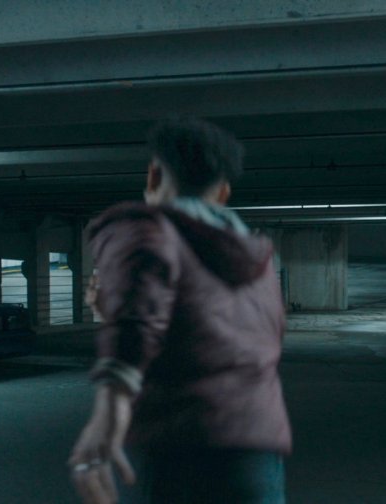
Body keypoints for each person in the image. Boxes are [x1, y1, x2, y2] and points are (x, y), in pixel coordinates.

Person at [69, 117, 291, 503]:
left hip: (184, 446)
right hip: (259, 452)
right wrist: (112, 309)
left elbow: (139, 321)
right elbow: (215, 334)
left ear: (154, 175)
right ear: (222, 193)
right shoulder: (258, 262)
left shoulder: (147, 228)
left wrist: (110, 407)